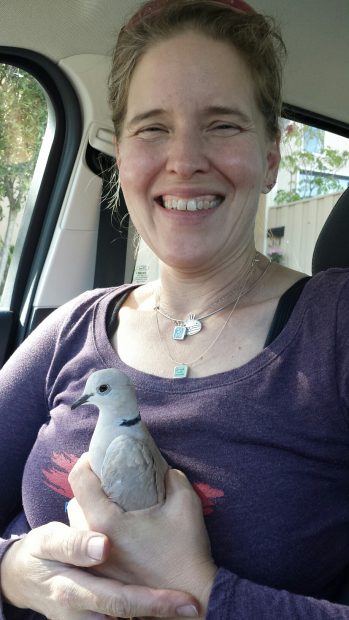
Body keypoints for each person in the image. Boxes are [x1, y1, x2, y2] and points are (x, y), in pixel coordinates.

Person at [1, 0, 349, 618]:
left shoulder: (337, 329)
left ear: (271, 153)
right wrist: (11, 570)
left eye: (222, 124)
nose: (184, 160)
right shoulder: (71, 328)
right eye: (152, 127)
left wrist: (203, 592)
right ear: (122, 157)